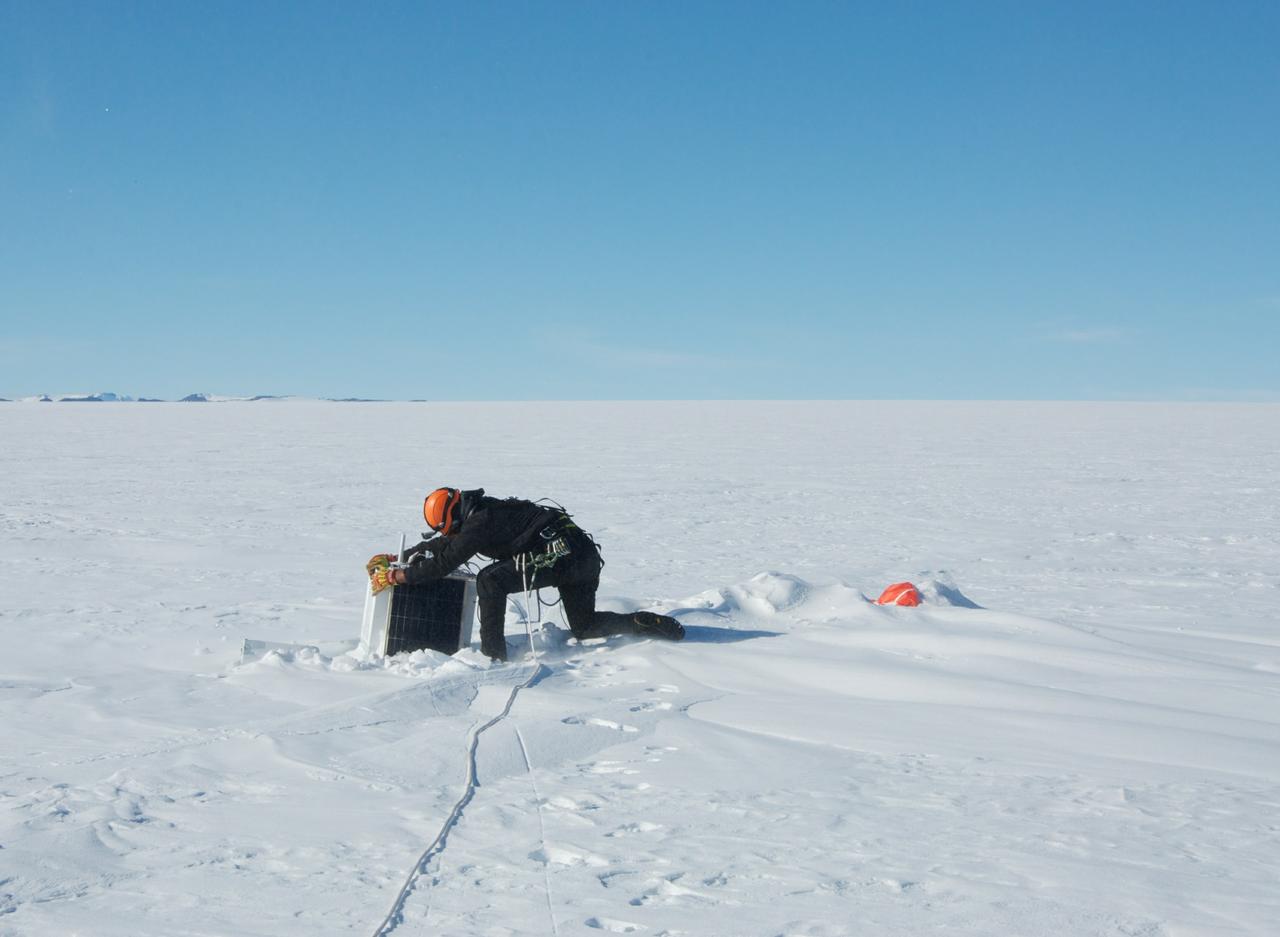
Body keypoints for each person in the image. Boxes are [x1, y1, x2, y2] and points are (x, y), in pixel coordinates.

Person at [370, 488, 685, 662]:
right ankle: (641, 623)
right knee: (585, 627)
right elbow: (447, 543)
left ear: (454, 514)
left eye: (449, 526)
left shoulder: (480, 520)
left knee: (490, 580)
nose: (449, 532)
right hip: (582, 557)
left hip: (562, 559)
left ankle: (493, 658)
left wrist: (400, 578)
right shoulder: (481, 512)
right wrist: (402, 558)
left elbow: (447, 558)